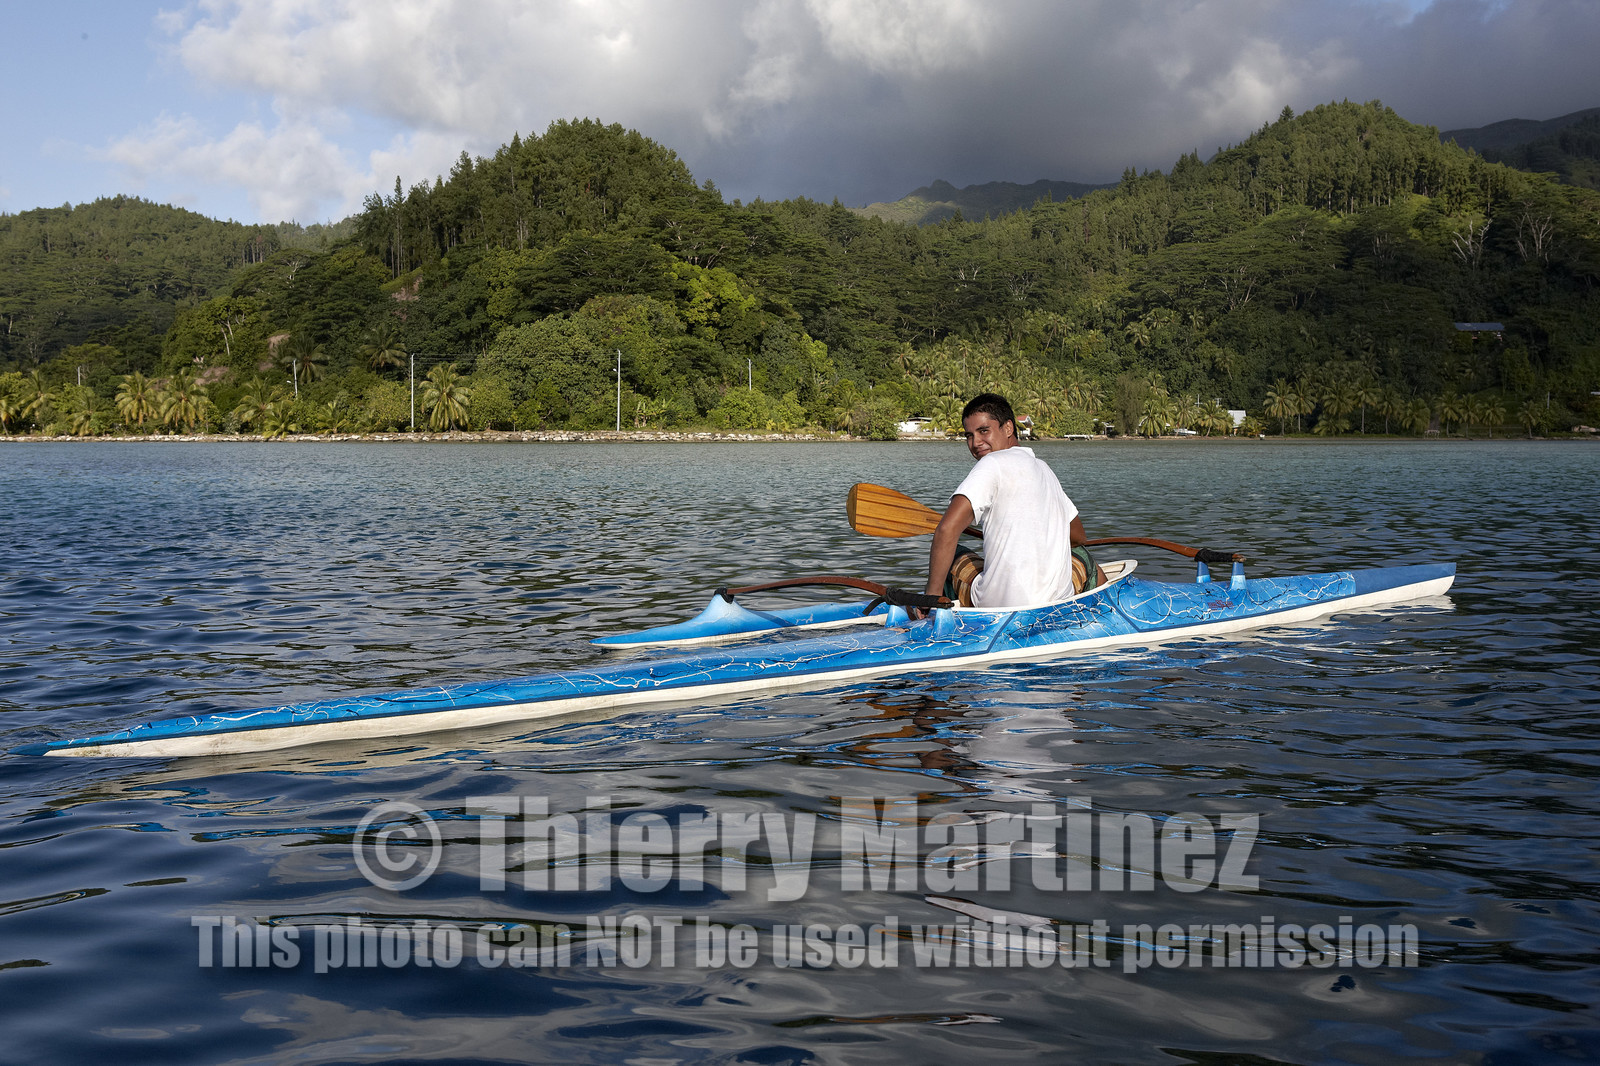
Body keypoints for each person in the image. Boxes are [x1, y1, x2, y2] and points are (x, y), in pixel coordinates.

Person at [922, 393, 1090, 609]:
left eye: (984, 431)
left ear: (1008, 428)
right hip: (1053, 604)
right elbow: (1077, 536)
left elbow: (946, 531)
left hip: (999, 608)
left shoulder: (991, 463)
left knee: (953, 553)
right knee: (1082, 558)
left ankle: (934, 612)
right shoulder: (1044, 469)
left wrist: (930, 595)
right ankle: (1106, 607)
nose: (975, 443)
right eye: (969, 435)